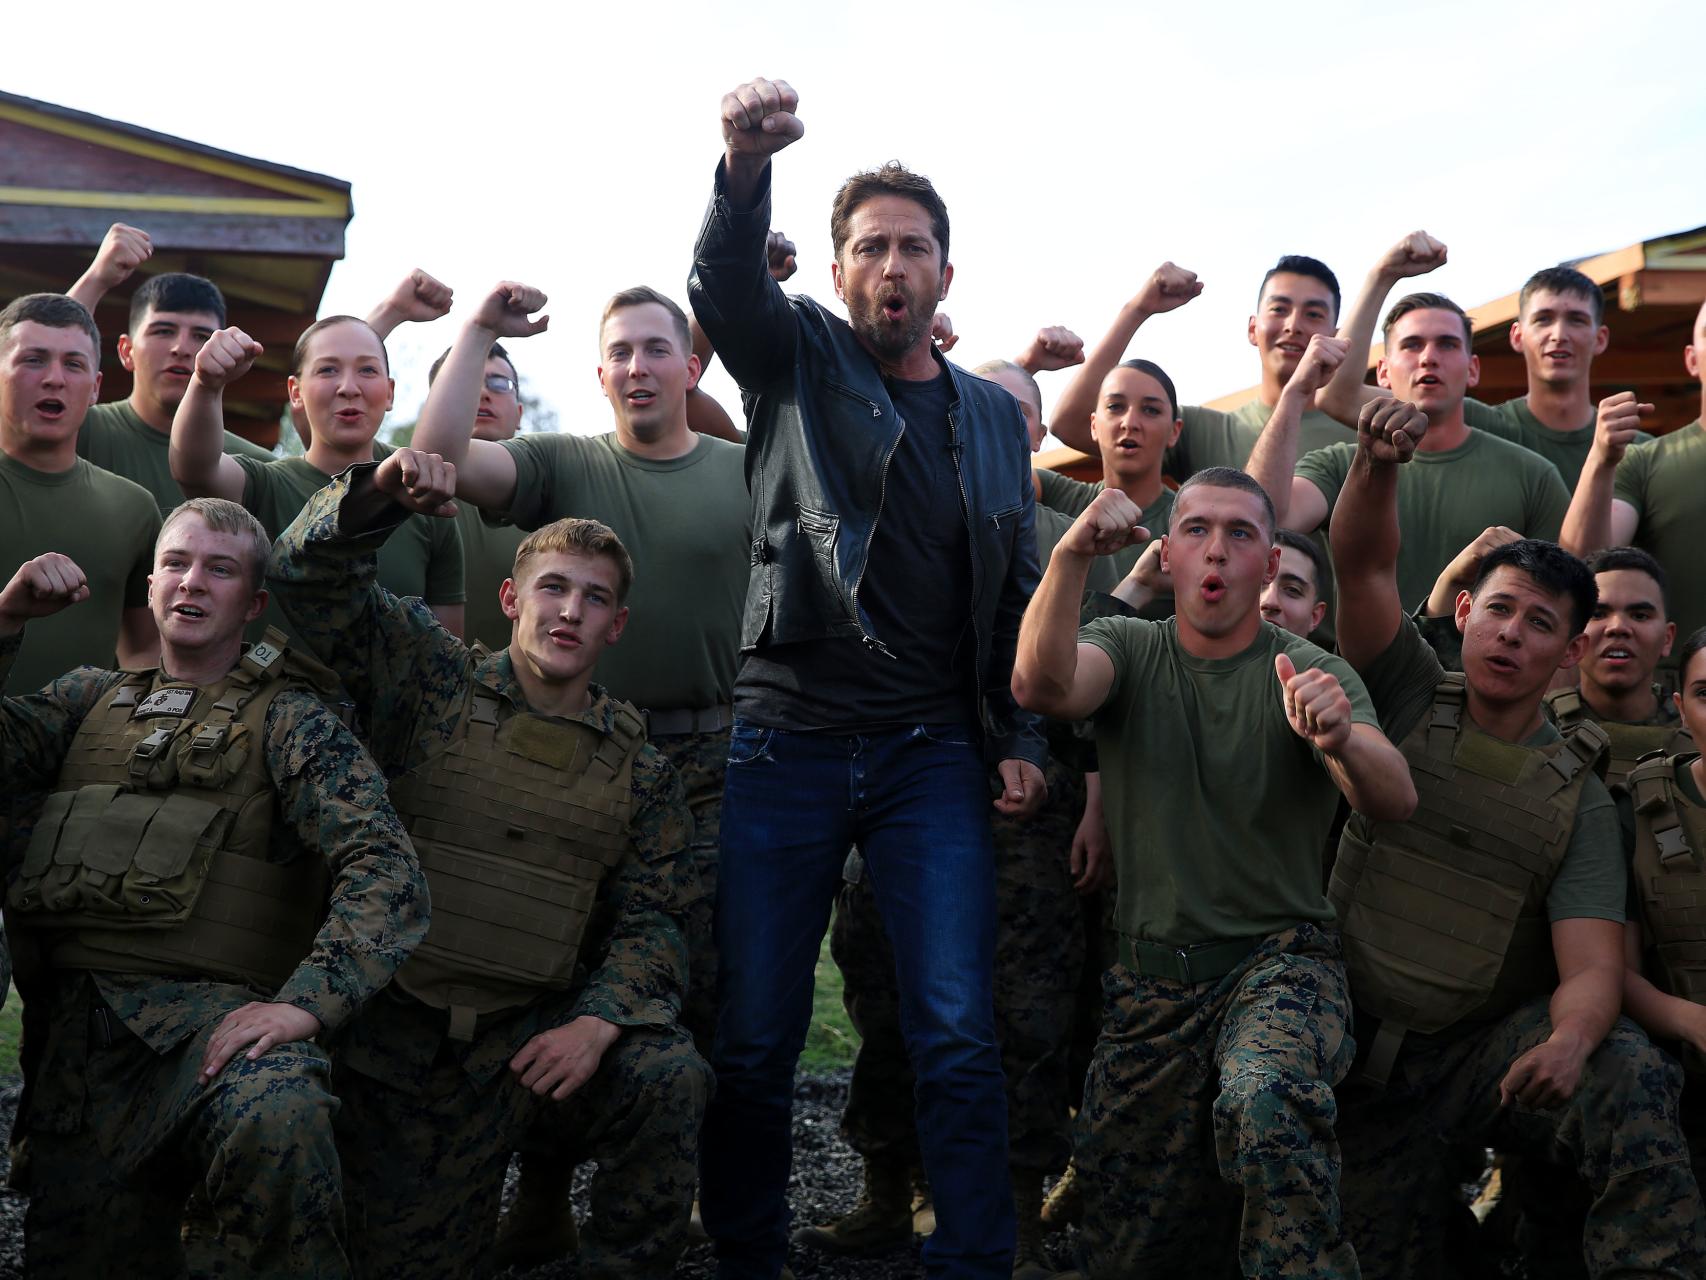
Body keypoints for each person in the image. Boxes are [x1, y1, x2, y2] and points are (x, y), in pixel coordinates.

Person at [688, 76, 1048, 1279]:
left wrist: (1020, 736)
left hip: (928, 752)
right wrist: (743, 166)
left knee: (954, 1026)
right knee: (755, 1034)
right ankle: (745, 1252)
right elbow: (724, 290)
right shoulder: (793, 359)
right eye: (868, 247)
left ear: (946, 274)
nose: (891, 264)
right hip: (784, 736)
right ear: (838, 276)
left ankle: (973, 1258)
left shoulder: (995, 419)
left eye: (913, 246)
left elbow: (1013, 590)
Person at [265, 450, 709, 1279]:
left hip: (535, 1047)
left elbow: (660, 918)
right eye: (554, 588)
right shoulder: (426, 680)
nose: (570, 611)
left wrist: (598, 1021)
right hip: (403, 1051)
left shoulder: (643, 770)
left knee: (666, 1072)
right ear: (511, 598)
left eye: (596, 598)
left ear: (617, 625)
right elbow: (305, 579)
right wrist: (376, 496)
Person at [1324, 395, 1706, 1277]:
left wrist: (1570, 1043)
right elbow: (1362, 565)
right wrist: (1376, 465)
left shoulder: (1580, 796)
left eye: (1541, 624)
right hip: (1345, 1057)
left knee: (1624, 1068)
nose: (1512, 634)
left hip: (1474, 1063)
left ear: (1569, 654)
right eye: (1500, 610)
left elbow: (1592, 972)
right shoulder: (1408, 689)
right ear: (1463, 612)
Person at [409, 279, 749, 1264]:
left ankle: (668, 1198)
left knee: (704, 980)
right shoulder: (563, 463)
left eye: (658, 349)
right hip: (578, 750)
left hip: (714, 760)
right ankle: (542, 1193)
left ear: (692, 367)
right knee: (556, 958)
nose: (639, 366)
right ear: (598, 373)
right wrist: (475, 329)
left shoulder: (744, 469)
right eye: (621, 352)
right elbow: (432, 456)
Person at [0, 496, 428, 1276]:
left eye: (220, 569)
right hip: (78, 1058)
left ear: (254, 603)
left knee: (282, 1110)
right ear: (153, 582)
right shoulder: (85, 701)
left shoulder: (292, 721)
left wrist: (304, 1005)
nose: (192, 583)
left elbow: (385, 870)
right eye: (176, 563)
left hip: (211, 1037)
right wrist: (4, 622)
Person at [1012, 462, 1412, 1278]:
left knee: (1268, 1099)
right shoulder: (1129, 646)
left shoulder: (1308, 668)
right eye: (1196, 530)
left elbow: (1393, 796)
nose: (1217, 551)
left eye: (1241, 534)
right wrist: (1070, 559)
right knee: (1130, 1250)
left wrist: (1338, 740)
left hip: (1278, 966)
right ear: (1169, 555)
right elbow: (1042, 684)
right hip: (1148, 988)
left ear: (1269, 565)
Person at [797, 356, 1104, 1280]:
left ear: (1037, 434)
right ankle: (889, 1190)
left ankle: (1012, 1208)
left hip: (1022, 817)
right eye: (983, 411)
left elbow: (1093, 686)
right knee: (886, 998)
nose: (994, 427)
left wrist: (1064, 778)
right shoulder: (893, 507)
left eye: (1018, 417)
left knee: (1024, 1016)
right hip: (891, 793)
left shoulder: (1072, 534)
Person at [169, 314, 465, 638]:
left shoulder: (422, 498)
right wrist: (205, 385)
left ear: (389, 391)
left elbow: (446, 643)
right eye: (327, 370)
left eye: (367, 370)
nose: (349, 388)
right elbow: (195, 467)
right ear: (295, 392)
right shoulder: (266, 486)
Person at [1289, 291, 1570, 614]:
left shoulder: (1535, 476)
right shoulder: (1338, 465)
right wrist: (1294, 394)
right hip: (1355, 666)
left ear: (1473, 368)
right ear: (1382, 371)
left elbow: (1563, 602)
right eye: (1411, 345)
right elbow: (1269, 518)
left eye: (1447, 344)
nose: (1428, 358)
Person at [1317, 239, 1642, 490]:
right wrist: (1382, 277)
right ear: (1517, 335)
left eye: (1576, 320)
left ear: (1600, 338)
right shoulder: (1480, 423)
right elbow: (1336, 395)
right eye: (1543, 319)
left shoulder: (1639, 450)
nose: (1559, 334)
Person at [1047, 257, 1352, 475]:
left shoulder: (1361, 428)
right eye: (1279, 309)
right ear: (1252, 329)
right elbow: (1070, 424)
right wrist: (1137, 310)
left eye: (1313, 314)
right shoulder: (1206, 431)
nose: (1293, 325)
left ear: (1336, 336)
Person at [0, 293, 158, 695]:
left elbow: (144, 649)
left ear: (95, 387)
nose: (55, 378)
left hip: (85, 755)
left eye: (73, 364)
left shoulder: (134, 508)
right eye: (33, 360)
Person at [64, 224, 275, 514]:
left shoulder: (257, 469)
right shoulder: (78, 431)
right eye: (163, 331)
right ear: (126, 351)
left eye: (201, 336)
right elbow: (21, 390)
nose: (181, 348)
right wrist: (95, 279)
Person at [1561, 298, 1706, 672]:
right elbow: (1583, 568)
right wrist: (1602, 458)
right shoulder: (1644, 462)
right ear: (1691, 359)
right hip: (1675, 704)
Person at [1543, 547, 1691, 787]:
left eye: (1640, 615)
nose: (1618, 627)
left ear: (1667, 638)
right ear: (1572, 635)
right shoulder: (1537, 723)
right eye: (1598, 613)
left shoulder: (1697, 727)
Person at [424, 338, 529, 650]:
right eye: (466, 384)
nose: (483, 393)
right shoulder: (403, 494)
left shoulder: (554, 497)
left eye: (499, 383)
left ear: (520, 412)